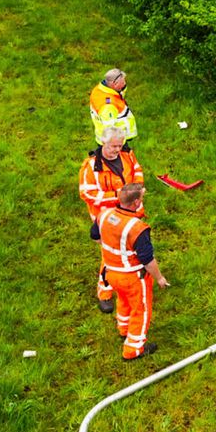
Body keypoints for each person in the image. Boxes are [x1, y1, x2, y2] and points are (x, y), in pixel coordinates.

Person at [91, 183, 168, 360]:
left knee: (123, 301)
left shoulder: (104, 215)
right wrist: (160, 278)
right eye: (141, 198)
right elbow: (148, 260)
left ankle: (123, 328)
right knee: (141, 310)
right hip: (132, 277)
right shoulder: (136, 228)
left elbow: (95, 236)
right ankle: (133, 349)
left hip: (111, 273)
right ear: (135, 203)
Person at [79, 126, 145, 312]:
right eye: (113, 146)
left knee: (132, 247)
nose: (117, 150)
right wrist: (120, 195)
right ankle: (105, 291)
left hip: (131, 213)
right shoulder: (91, 166)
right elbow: (87, 193)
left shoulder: (127, 154)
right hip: (108, 218)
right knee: (110, 256)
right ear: (102, 142)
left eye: (120, 145)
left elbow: (137, 170)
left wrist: (137, 187)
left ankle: (134, 274)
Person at [89, 67, 137, 146]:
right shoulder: (109, 107)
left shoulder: (100, 90)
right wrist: (117, 146)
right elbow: (110, 130)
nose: (125, 84)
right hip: (113, 143)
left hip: (105, 139)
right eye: (123, 82)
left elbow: (118, 94)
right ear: (115, 84)